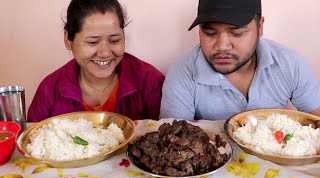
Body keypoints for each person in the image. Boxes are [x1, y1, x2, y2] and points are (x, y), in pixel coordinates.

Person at [160, 0, 320, 120]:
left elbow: (316, 118)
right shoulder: (182, 72)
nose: (222, 46)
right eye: (210, 33)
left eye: (236, 33)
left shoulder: (290, 64)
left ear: (260, 27)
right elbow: (174, 143)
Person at [28, 0, 165, 122]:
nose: (105, 53)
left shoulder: (150, 82)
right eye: (93, 42)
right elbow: (31, 143)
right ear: (68, 40)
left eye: (114, 40)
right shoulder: (49, 91)